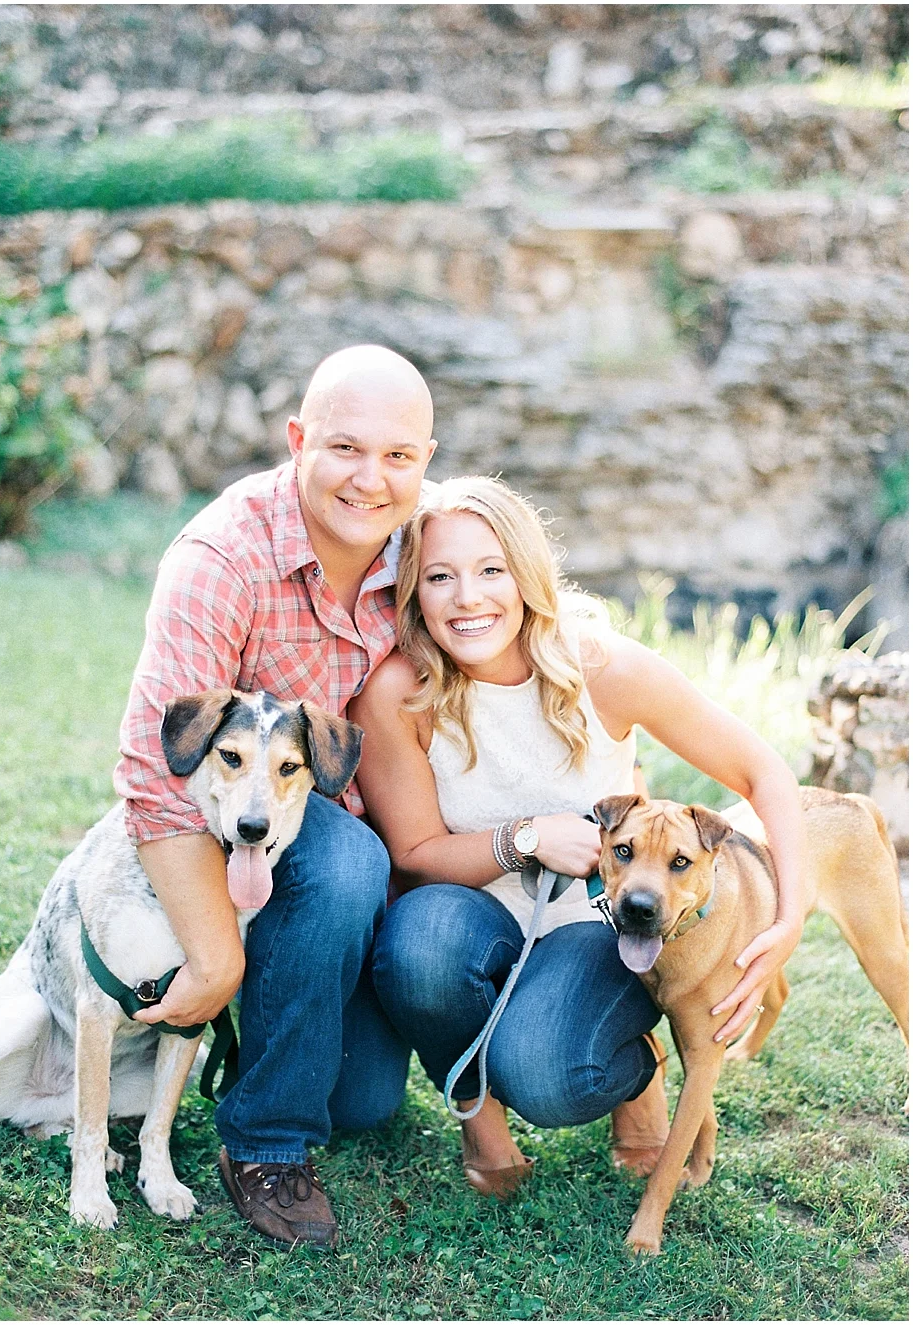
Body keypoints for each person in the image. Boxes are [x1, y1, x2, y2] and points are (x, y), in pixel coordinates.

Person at [352, 476, 805, 1197]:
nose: (468, 597)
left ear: (527, 575)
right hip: (468, 911)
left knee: (550, 1075)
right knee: (417, 947)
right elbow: (413, 855)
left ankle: (637, 1076)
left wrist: (787, 922)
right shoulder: (398, 693)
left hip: (601, 925)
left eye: (491, 570)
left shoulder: (601, 667)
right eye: (441, 576)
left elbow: (766, 772)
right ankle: (482, 1128)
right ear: (414, 591)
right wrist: (523, 838)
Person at [113, 345, 434, 1248]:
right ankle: (266, 1145)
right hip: (255, 826)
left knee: (366, 1100)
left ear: (425, 461)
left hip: (371, 848)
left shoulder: (429, 548)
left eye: (399, 456)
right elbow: (152, 768)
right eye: (344, 447)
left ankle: (282, 1036)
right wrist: (215, 962)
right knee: (342, 860)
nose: (371, 480)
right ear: (297, 441)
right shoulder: (221, 557)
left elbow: (528, 623)